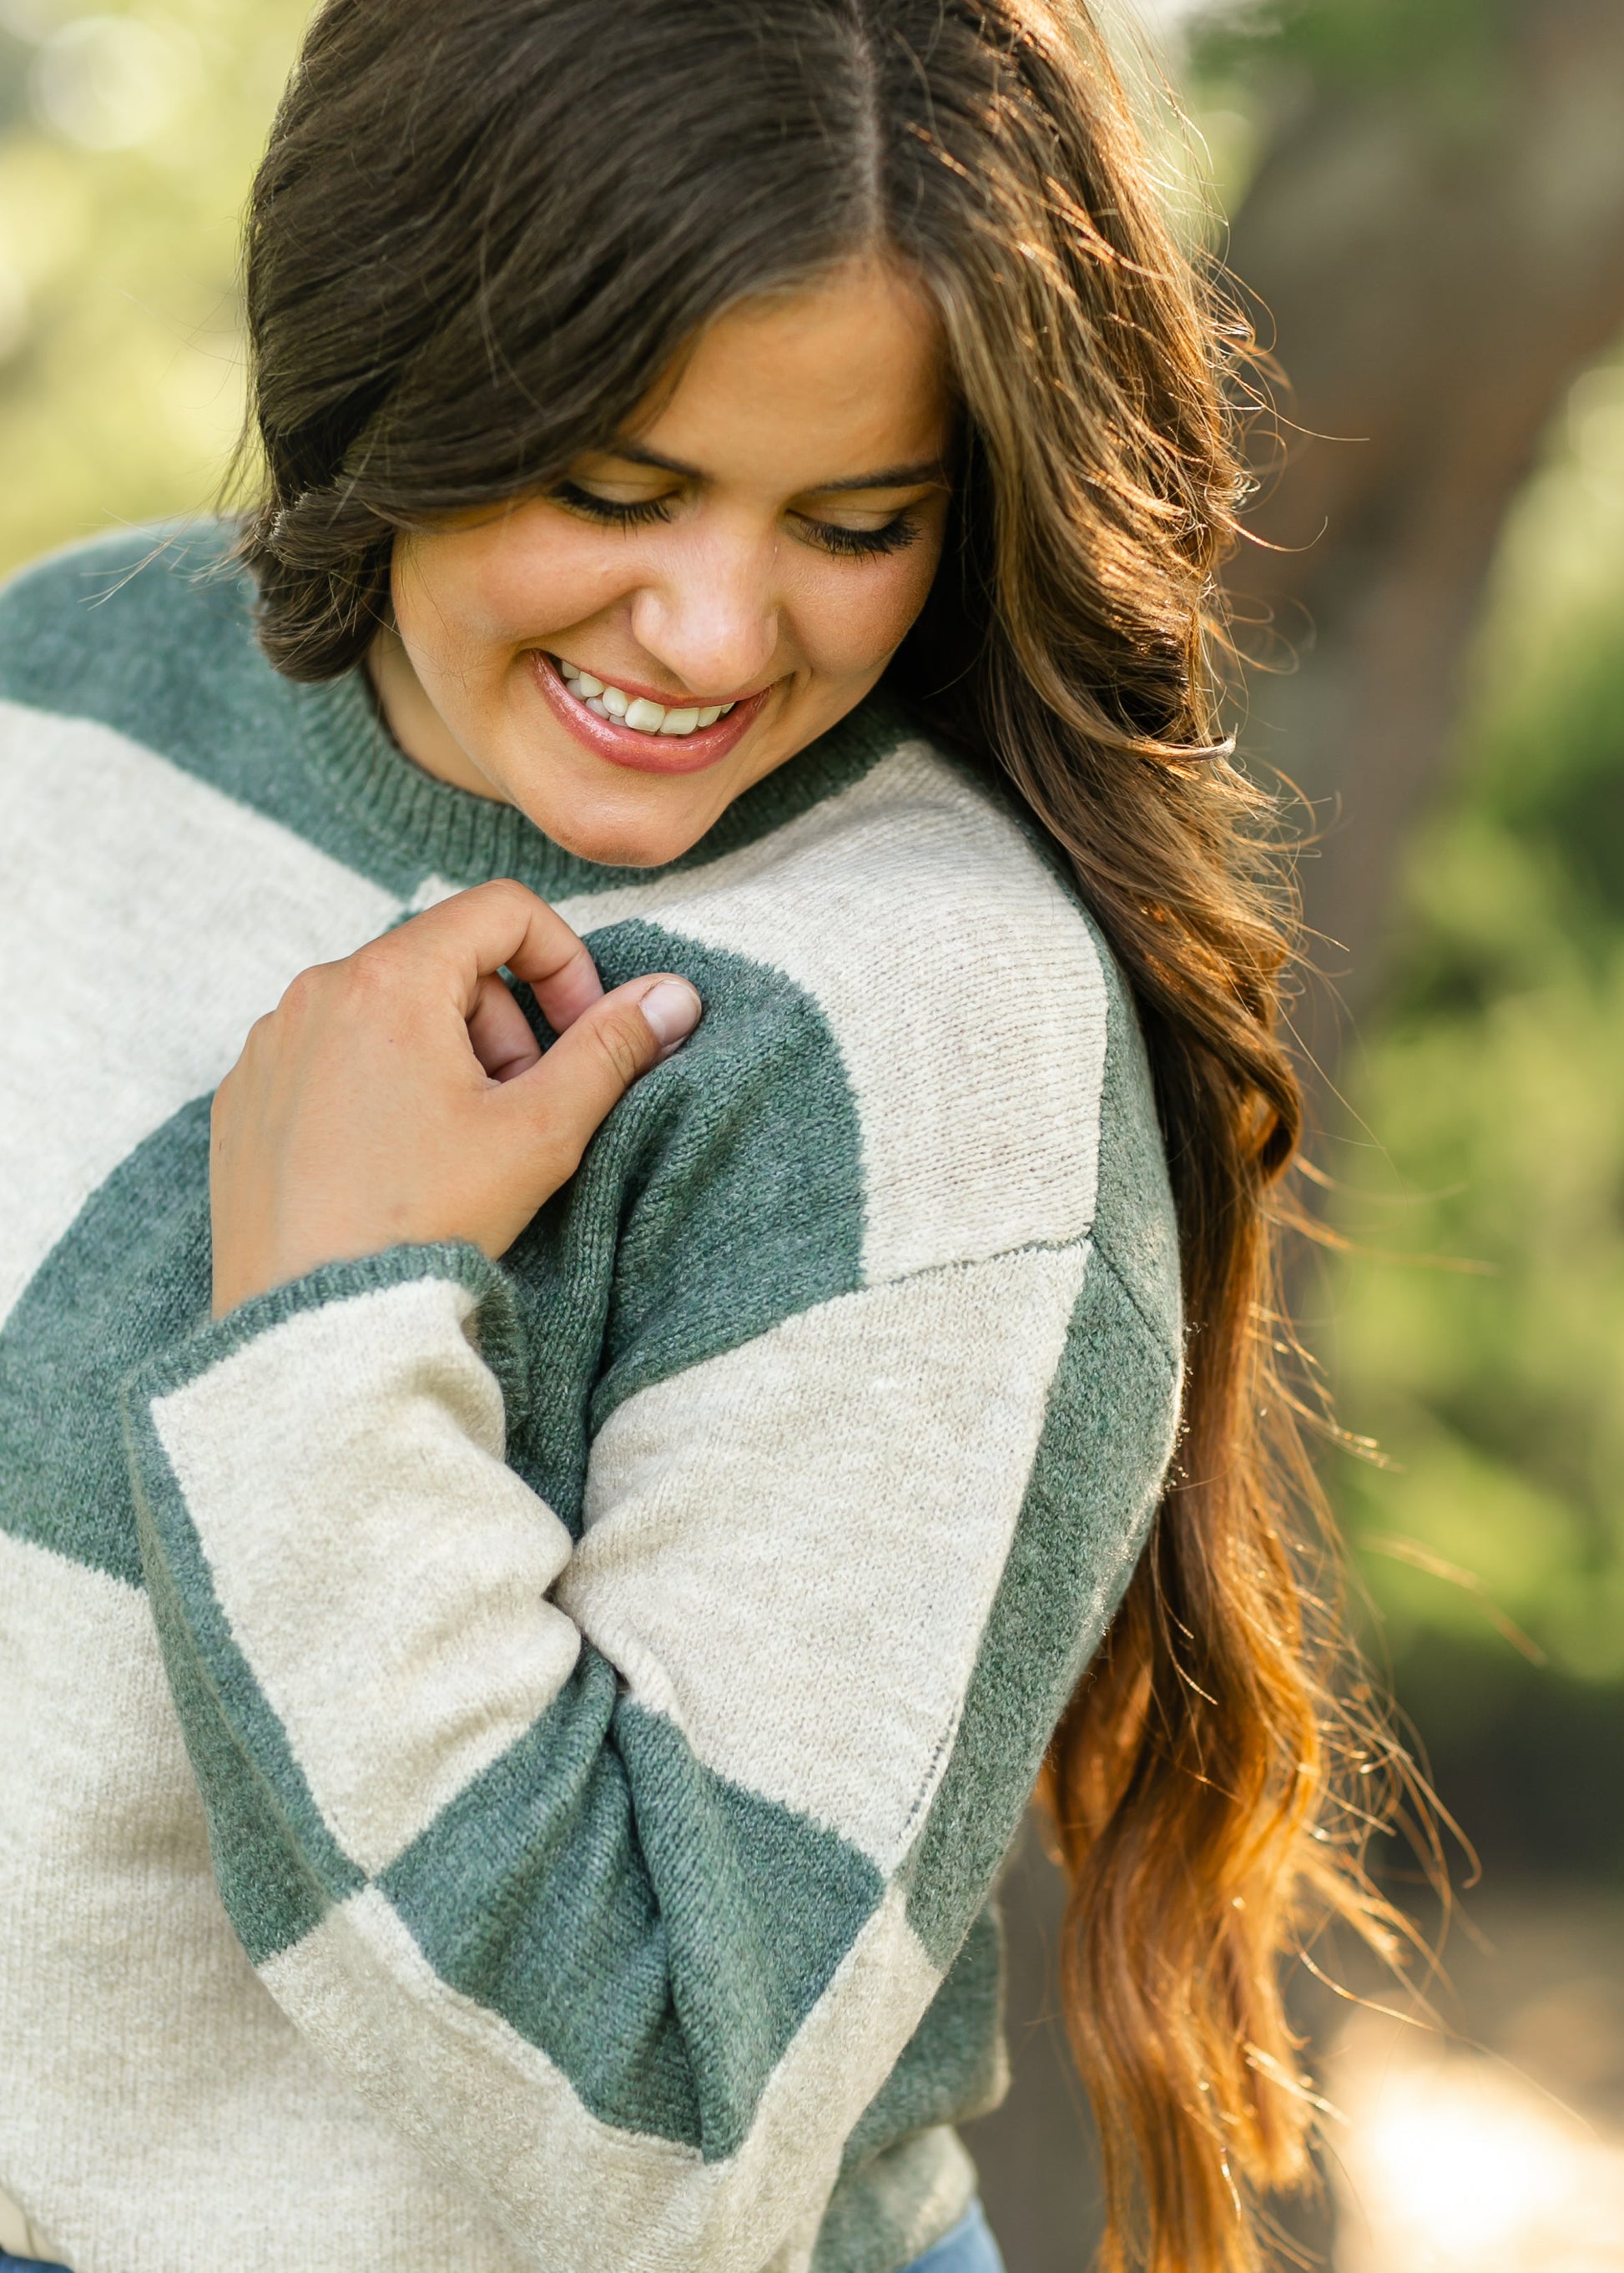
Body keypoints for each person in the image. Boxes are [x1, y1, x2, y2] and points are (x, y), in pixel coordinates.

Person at [0, 3, 1397, 2270]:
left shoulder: (916, 1033)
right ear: (383, 373)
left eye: (856, 522)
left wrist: (331, 1331)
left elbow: (664, 2132)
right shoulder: (65, 686)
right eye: (613, 491)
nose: (715, 627)